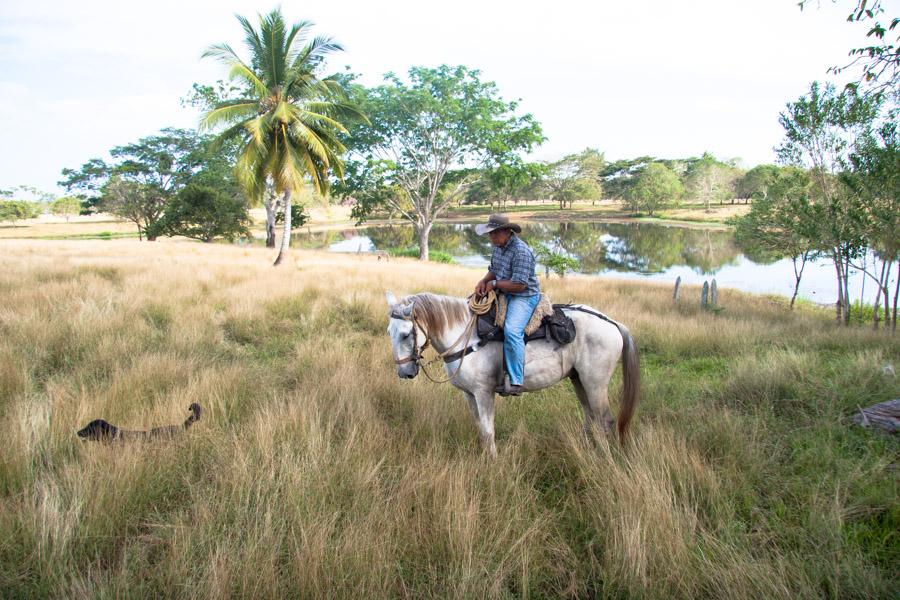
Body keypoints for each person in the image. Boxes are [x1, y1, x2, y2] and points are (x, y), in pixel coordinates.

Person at [474, 214, 541, 396]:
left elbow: (520, 285)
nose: (491, 237)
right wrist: (483, 281)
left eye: (493, 234)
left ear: (505, 231)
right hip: (504, 291)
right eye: (490, 234)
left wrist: (494, 285)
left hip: (523, 296)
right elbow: (494, 270)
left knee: (512, 330)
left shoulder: (521, 251)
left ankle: (516, 381)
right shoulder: (498, 246)